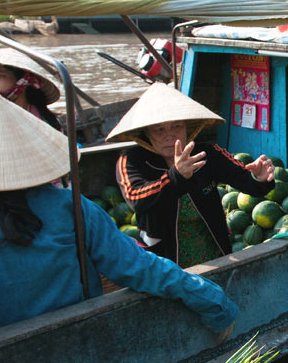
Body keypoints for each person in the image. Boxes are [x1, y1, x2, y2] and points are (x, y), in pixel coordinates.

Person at [0, 94, 238, 363]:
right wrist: (212, 298)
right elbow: (139, 267)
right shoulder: (73, 206)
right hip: (89, 349)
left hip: (12, 362)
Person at [108, 82, 274, 267]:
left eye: (176, 126)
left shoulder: (206, 154)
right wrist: (175, 177)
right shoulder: (132, 160)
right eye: (159, 129)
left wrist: (259, 179)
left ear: (187, 127)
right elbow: (136, 199)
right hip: (163, 261)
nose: (169, 135)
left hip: (213, 252)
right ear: (147, 133)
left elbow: (244, 179)